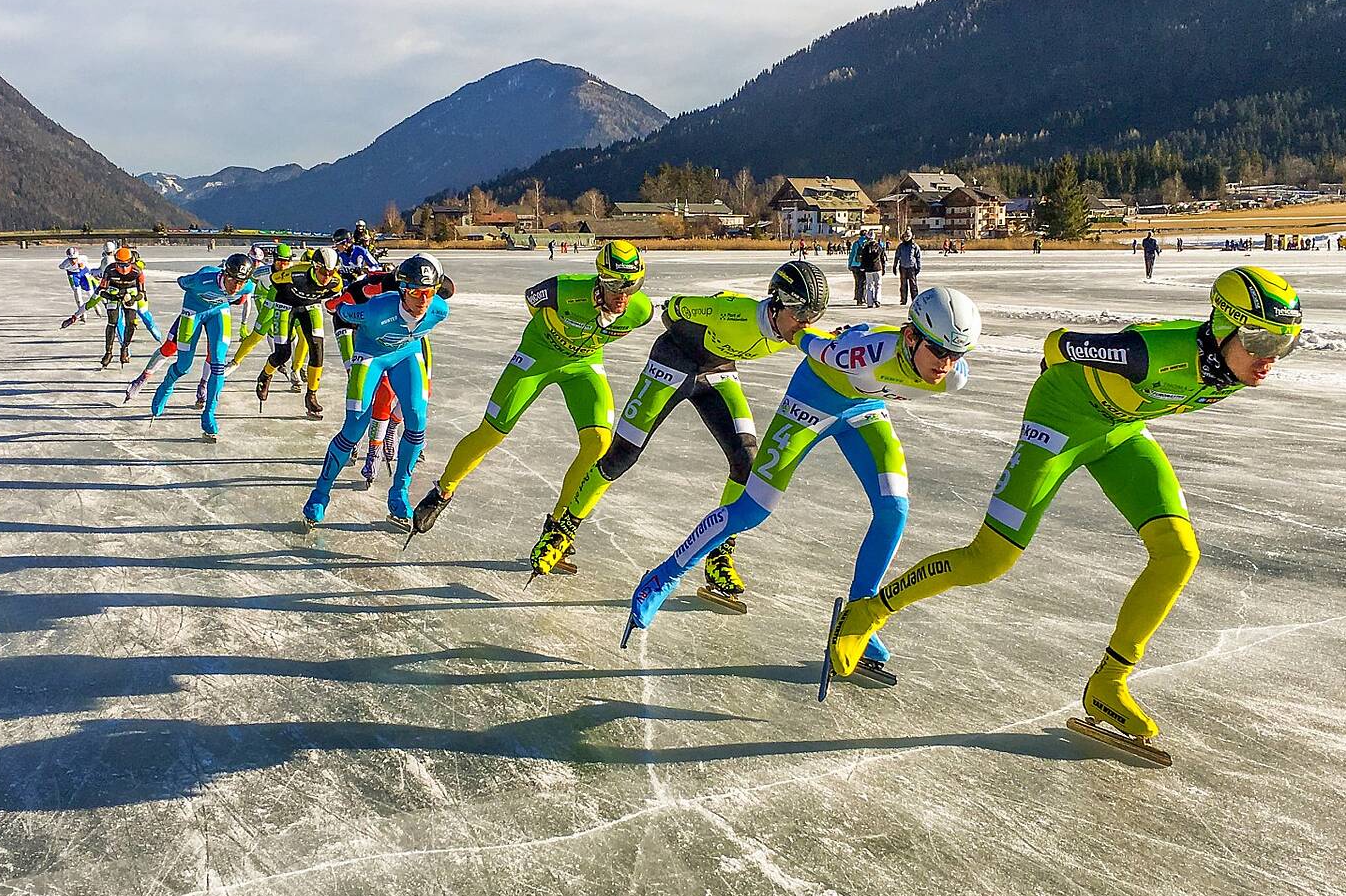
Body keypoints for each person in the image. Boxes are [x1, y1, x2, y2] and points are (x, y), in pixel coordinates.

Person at [826, 267, 1305, 759]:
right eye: (1260, 339)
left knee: (1179, 553)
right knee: (990, 559)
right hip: (1059, 421)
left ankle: (1109, 684)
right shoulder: (1151, 354)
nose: (1269, 358)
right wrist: (1058, 383)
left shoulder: (1231, 367)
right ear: (1224, 326)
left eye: (1283, 345)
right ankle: (868, 612)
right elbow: (1059, 343)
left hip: (1117, 431)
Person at [623, 288, 978, 650]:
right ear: (910, 336)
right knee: (753, 509)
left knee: (894, 509)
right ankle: (663, 577)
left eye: (956, 354)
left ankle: (857, 615)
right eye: (937, 350)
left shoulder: (953, 376)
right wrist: (804, 329)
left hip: (864, 409)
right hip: (812, 401)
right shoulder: (864, 353)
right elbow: (808, 341)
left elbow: (940, 365)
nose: (945, 364)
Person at [531, 261, 832, 610]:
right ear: (777, 302)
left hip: (717, 372)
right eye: (800, 313)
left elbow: (835, 346)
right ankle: (562, 529)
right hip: (671, 363)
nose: (806, 324)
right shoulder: (733, 311)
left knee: (747, 461)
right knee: (622, 455)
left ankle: (719, 554)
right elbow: (673, 308)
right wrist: (687, 340)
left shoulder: (801, 331)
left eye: (814, 314)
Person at [408, 241, 654, 546]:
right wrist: (549, 335)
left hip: (584, 365)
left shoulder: (641, 311)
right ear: (600, 279)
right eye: (616, 285)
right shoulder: (564, 289)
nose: (624, 295)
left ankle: (559, 525)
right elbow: (531, 300)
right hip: (538, 357)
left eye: (633, 285)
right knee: (492, 433)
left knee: (599, 442)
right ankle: (443, 490)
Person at [302, 254, 453, 528]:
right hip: (370, 355)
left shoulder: (439, 310)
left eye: (429, 292)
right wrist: (339, 304)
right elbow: (343, 311)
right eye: (416, 292)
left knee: (417, 421)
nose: (423, 301)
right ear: (402, 291)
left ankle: (399, 492)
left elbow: (429, 312)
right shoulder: (376, 310)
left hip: (407, 355)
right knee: (353, 429)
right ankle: (320, 494)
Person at [149, 253, 259, 441]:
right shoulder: (202, 279)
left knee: (218, 362)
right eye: (233, 281)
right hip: (193, 312)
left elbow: (245, 293)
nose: (237, 287)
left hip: (218, 312)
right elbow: (181, 281)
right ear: (225, 274)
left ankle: (209, 413)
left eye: (242, 282)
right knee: (184, 365)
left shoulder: (247, 286)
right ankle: (166, 386)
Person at [230, 243, 338, 419]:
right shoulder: (293, 274)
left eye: (330, 273)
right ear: (315, 267)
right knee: (283, 353)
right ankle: (265, 375)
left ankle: (311, 395)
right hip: (285, 305)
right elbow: (271, 284)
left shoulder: (335, 281)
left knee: (317, 350)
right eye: (323, 273)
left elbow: (334, 292)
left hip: (310, 306)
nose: (327, 277)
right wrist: (264, 305)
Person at [61, 247, 156, 365]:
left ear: (131, 262)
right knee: (112, 322)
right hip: (113, 293)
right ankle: (108, 352)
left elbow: (142, 293)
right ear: (115, 262)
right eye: (120, 265)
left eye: (126, 265)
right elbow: (98, 294)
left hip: (130, 294)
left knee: (131, 322)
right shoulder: (109, 270)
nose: (123, 269)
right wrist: (75, 317)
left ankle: (125, 348)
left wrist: (133, 299)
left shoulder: (137, 271)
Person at [59, 248, 94, 321]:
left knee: (90, 292)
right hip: (73, 276)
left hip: (83, 273)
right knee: (77, 294)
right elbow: (61, 267)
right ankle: (82, 314)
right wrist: (68, 268)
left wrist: (85, 267)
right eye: (71, 259)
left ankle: (96, 306)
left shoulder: (83, 258)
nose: (73, 261)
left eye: (75, 258)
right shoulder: (65, 263)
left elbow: (88, 264)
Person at [856, 228, 884, 307]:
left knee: (869, 285)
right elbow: (882, 258)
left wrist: (862, 267)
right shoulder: (878, 246)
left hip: (868, 269)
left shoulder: (865, 247)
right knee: (878, 285)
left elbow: (863, 258)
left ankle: (870, 302)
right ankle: (877, 300)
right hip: (877, 268)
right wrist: (883, 268)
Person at [895, 231, 920, 305]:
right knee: (903, 285)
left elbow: (918, 257)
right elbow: (897, 256)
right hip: (903, 267)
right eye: (905, 236)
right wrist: (894, 265)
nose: (906, 238)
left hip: (911, 267)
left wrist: (918, 266)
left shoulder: (914, 246)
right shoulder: (901, 246)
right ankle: (903, 299)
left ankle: (915, 299)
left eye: (908, 236)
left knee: (913, 285)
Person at [847, 230, 869, 305]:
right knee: (863, 283)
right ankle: (861, 299)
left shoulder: (856, 243)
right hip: (863, 265)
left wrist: (849, 264)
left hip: (854, 264)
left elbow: (852, 254)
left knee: (857, 281)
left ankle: (857, 296)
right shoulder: (867, 242)